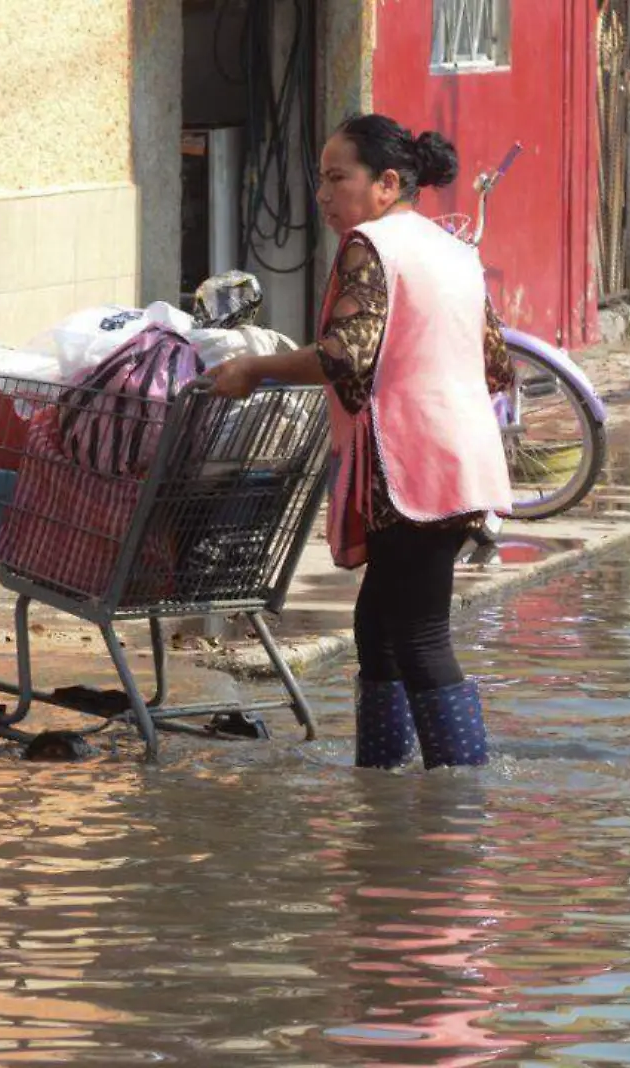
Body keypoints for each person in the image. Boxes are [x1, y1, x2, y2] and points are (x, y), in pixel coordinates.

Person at [205, 115, 513, 770]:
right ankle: (381, 786)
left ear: (387, 183)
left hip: (413, 463)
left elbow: (344, 355)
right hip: (461, 459)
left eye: (337, 177)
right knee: (377, 626)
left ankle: (457, 805)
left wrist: (255, 368)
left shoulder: (370, 245)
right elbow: (497, 364)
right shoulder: (453, 249)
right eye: (321, 178)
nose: (323, 193)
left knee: (421, 636)